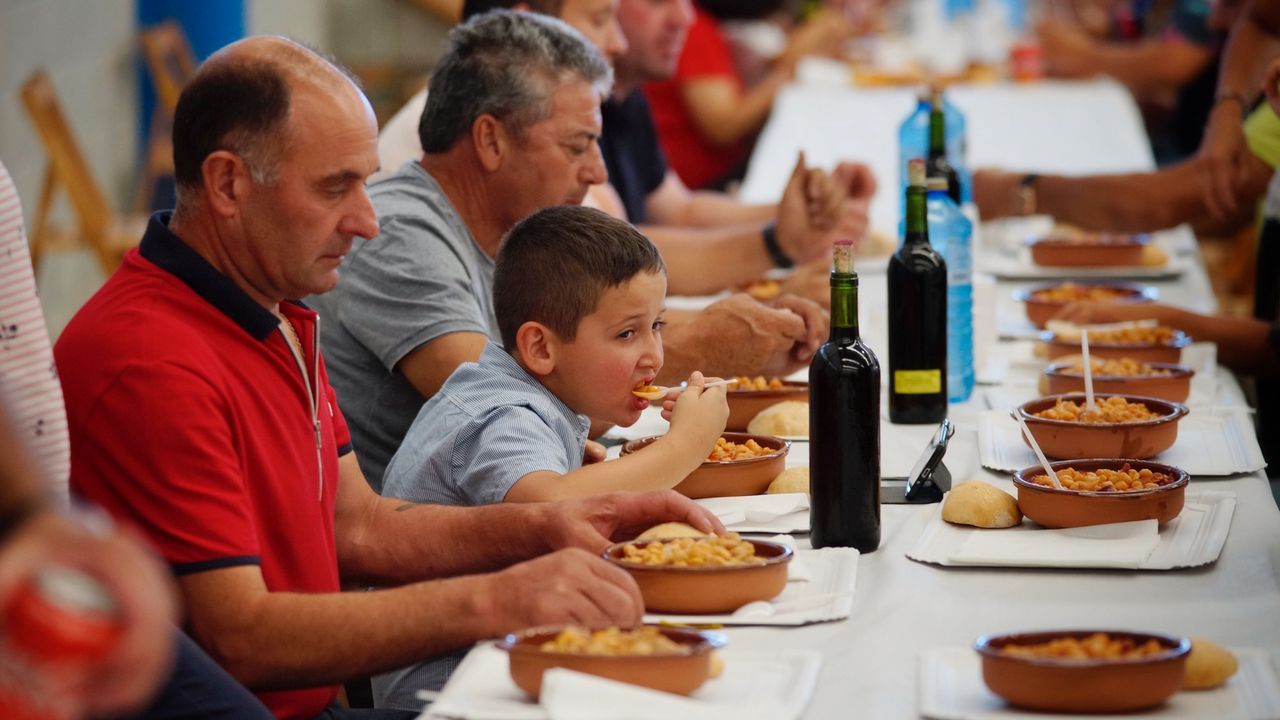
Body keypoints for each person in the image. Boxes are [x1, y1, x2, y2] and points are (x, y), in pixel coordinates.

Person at [57, 34, 721, 720]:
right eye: (334, 187)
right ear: (229, 184)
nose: (367, 221)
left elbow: (358, 527)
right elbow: (241, 638)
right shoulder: (151, 360)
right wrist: (495, 597)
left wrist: (557, 523)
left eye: (365, 182)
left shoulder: (275, 308)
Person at [314, 9, 826, 490]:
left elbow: (621, 290)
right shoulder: (398, 233)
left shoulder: (518, 230)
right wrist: (706, 360)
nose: (597, 171)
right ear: (491, 141)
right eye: (577, 145)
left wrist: (774, 253)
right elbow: (534, 385)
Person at [383, 205, 728, 508]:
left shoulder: (524, 395)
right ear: (540, 348)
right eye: (626, 334)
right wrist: (688, 442)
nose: (654, 355)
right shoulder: (505, 416)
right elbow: (551, 505)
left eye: (657, 324)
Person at [645, 0, 852, 190]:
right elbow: (724, 127)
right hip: (706, 184)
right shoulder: (695, 29)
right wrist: (791, 67)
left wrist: (789, 58)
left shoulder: (702, 25)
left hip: (700, 179)